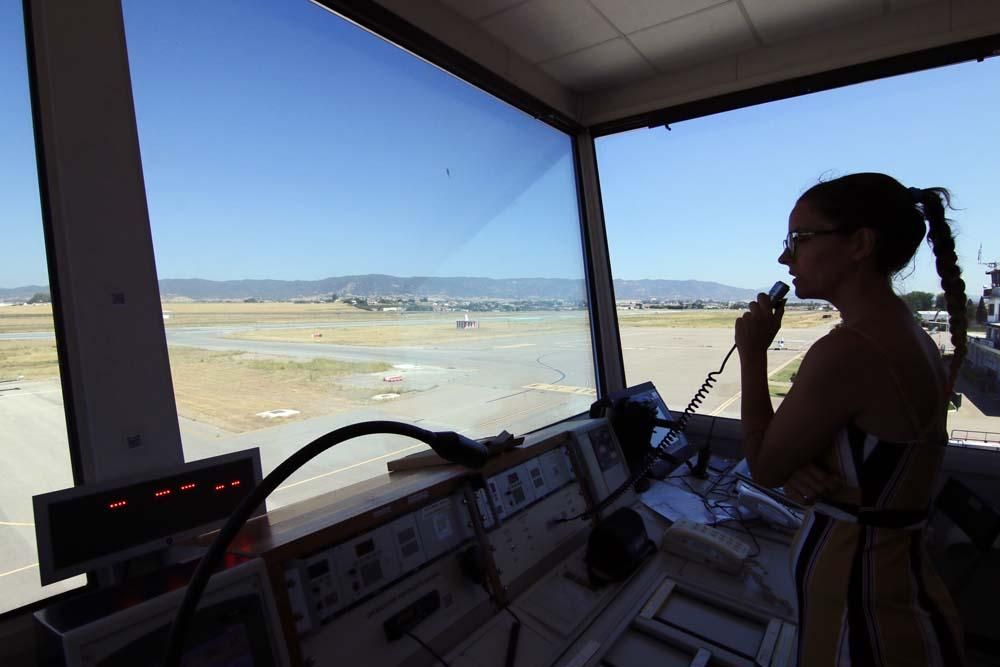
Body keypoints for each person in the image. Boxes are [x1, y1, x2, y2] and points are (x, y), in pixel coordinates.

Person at [734, 173, 967, 666]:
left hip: (863, 613)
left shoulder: (851, 350)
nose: (785, 258)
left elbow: (762, 466)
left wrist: (752, 355)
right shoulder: (903, 333)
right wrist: (799, 463)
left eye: (798, 240)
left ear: (859, 243)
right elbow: (870, 465)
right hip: (887, 587)